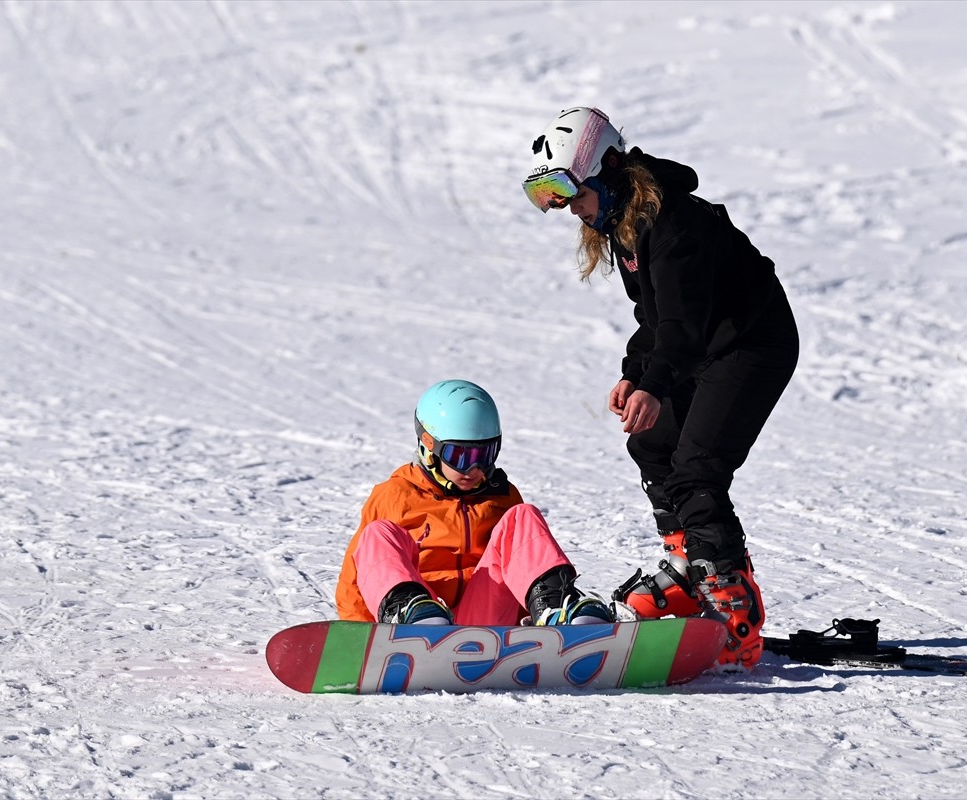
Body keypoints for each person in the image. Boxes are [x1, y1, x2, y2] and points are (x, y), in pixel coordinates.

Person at [522, 107, 799, 668]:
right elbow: (655, 319)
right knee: (652, 445)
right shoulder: (629, 226)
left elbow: (681, 327)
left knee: (698, 466)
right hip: (704, 345)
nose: (568, 207)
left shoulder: (675, 226)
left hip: (753, 345)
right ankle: (688, 572)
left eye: (571, 190)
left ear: (607, 172)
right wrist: (634, 374)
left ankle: (731, 605)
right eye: (553, 194)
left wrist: (653, 385)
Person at [335, 379, 614, 628]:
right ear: (429, 446)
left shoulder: (502, 497)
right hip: (425, 618)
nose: (474, 468)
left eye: (486, 454)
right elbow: (357, 576)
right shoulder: (395, 495)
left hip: (486, 619)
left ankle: (556, 612)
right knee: (378, 533)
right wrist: (357, 639)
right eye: (460, 456)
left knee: (523, 516)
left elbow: (525, 562)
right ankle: (409, 615)